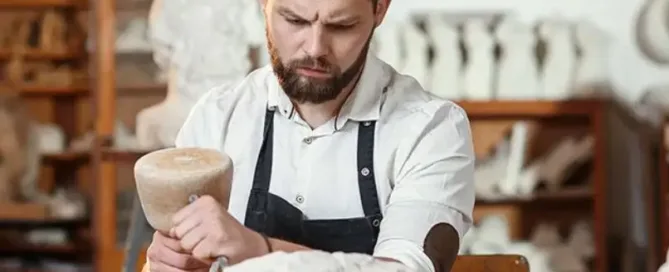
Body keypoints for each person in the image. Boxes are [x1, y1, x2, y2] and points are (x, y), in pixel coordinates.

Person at [144, 0, 475, 271]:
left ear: (380, 10)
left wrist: (260, 250)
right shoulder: (218, 117)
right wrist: (166, 264)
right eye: (294, 20)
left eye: (341, 26)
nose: (315, 48)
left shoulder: (431, 129)